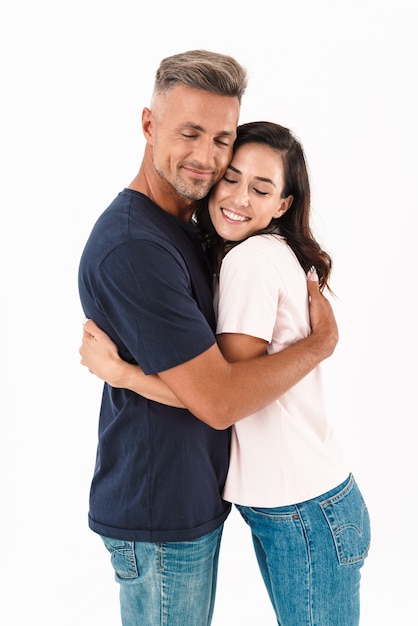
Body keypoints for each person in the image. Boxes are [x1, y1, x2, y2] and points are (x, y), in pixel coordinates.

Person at [78, 49, 339, 626]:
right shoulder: (137, 248)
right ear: (149, 125)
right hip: (160, 514)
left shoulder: (189, 229)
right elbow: (217, 399)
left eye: (222, 139)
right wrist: (319, 346)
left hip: (187, 501)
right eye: (189, 133)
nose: (206, 158)